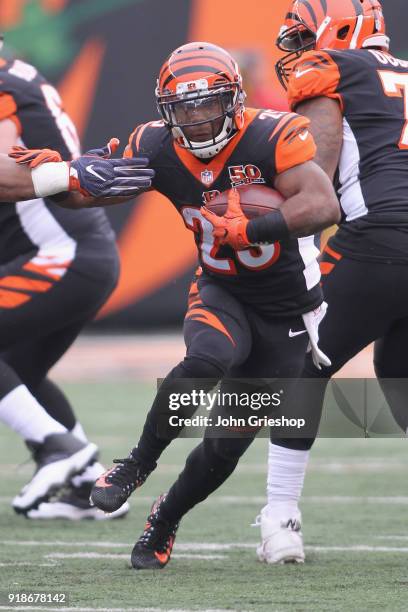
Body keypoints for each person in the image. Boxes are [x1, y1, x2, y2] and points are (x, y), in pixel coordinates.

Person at [81, 41, 339, 569]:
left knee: (225, 446)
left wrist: (252, 228)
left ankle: (165, 517)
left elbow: (322, 204)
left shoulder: (272, 134)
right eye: (184, 108)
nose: (197, 120)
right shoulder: (153, 144)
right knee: (207, 358)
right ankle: (135, 463)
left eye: (208, 104)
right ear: (165, 111)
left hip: (289, 309)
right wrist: (72, 178)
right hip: (221, 290)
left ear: (235, 99)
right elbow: (89, 192)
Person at [256, 0, 408, 564]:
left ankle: (280, 517)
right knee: (398, 377)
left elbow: (315, 172)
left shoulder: (336, 69)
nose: (295, 52)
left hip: (375, 242)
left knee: (303, 365)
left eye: (301, 38)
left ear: (338, 30)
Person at [0, 52, 153, 519]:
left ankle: (57, 446)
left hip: (59, 255)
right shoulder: (17, 76)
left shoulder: (7, 85)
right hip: (76, 254)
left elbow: (3, 173)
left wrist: (64, 173)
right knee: (18, 371)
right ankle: (90, 488)